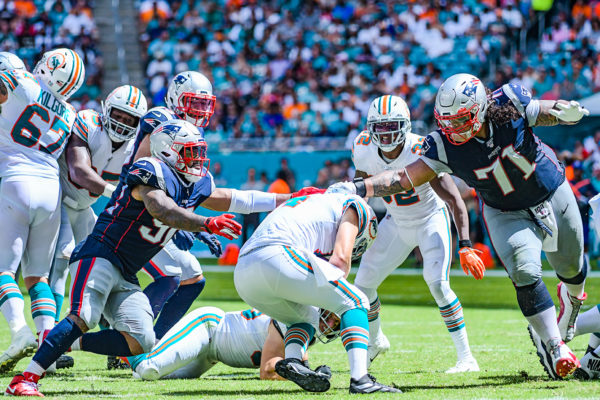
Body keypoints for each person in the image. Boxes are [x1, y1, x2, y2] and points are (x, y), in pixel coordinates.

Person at [328, 73, 590, 379]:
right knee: (524, 270)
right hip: (503, 209)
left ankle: (572, 302)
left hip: (549, 187)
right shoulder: (441, 145)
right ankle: (555, 344)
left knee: (572, 268)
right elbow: (401, 178)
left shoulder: (508, 103)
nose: (452, 128)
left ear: (480, 109)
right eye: (446, 121)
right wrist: (359, 188)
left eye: (461, 120)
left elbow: (543, 111)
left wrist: (561, 111)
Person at [6, 119, 242, 396]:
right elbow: (161, 208)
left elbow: (237, 198)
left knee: (142, 340)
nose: (197, 159)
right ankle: (25, 379)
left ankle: (62, 343)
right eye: (189, 151)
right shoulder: (149, 169)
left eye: (197, 151)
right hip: (99, 253)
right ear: (167, 151)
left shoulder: (190, 184)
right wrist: (205, 223)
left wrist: (286, 198)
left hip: (126, 271)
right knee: (84, 315)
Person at [352, 95, 481, 373]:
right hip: (395, 222)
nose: (385, 134)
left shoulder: (421, 148)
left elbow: (455, 200)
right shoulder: (363, 148)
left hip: (429, 220)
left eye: (392, 126)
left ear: (406, 125)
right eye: (380, 127)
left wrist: (466, 244)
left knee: (437, 284)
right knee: (362, 285)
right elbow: (360, 190)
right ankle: (376, 341)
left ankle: (466, 357)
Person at [234, 193, 400, 394]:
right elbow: (340, 259)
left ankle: (294, 362)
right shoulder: (357, 207)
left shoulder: (316, 204)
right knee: (356, 301)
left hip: (243, 271)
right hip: (275, 254)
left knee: (304, 318)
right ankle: (360, 379)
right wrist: (333, 298)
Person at [0, 48, 84, 373]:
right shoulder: (71, 112)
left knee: (4, 270)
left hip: (16, 180)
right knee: (39, 277)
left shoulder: (21, 84)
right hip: (51, 190)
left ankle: (20, 332)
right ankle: (46, 349)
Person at [50, 85, 148, 328]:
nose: (123, 122)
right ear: (106, 110)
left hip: (84, 209)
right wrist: (113, 192)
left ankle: (110, 335)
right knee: (62, 261)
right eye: (118, 115)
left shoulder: (136, 147)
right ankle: (48, 333)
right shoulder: (88, 122)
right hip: (59, 200)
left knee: (101, 265)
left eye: (129, 119)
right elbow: (79, 171)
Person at [124, 305, 338, 381]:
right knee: (148, 369)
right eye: (330, 317)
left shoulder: (306, 334)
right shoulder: (293, 320)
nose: (329, 325)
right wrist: (298, 377)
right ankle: (120, 338)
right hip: (208, 327)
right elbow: (268, 370)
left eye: (335, 324)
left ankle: (155, 347)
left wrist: (309, 374)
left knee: (154, 376)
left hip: (212, 355)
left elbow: (298, 364)